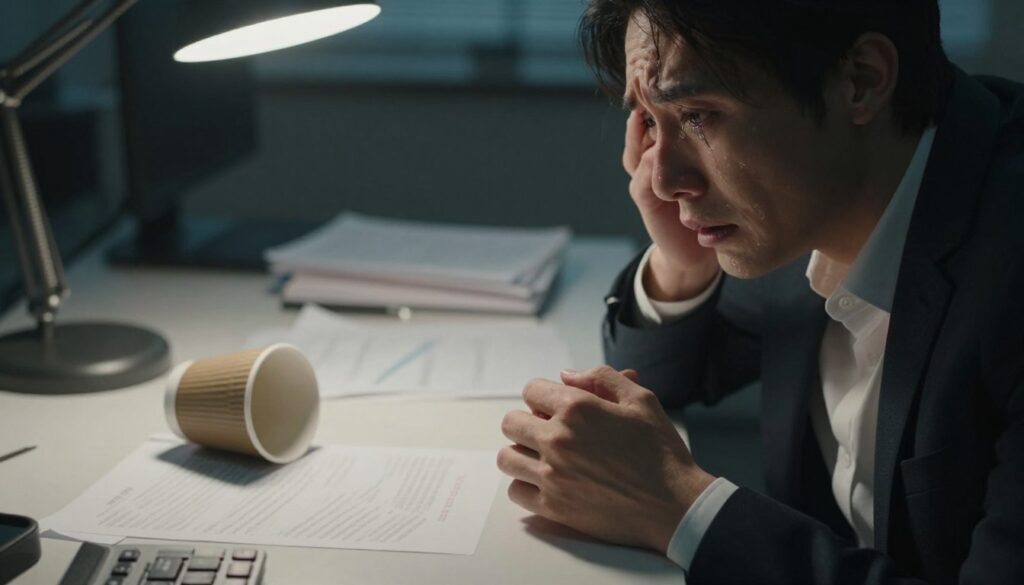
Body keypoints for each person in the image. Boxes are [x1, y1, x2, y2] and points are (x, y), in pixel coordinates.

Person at [496, 0, 1024, 583]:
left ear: (861, 81)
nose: (663, 179)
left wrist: (680, 508)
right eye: (650, 120)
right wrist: (682, 258)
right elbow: (662, 379)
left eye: (697, 114)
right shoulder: (812, 191)